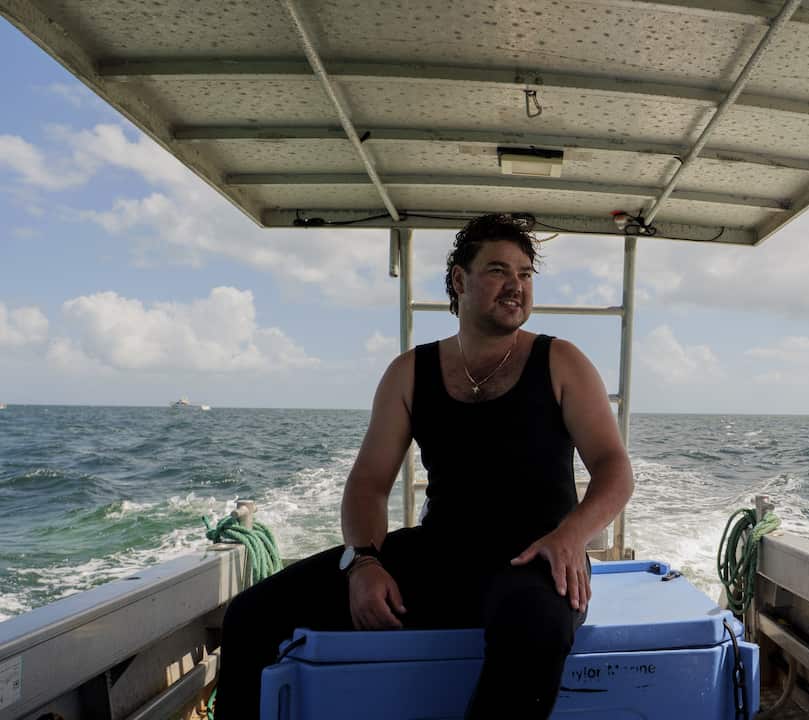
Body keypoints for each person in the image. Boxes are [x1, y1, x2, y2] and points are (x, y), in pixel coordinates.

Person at [217, 214, 635, 719]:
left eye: (525, 274)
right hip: (442, 555)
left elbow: (614, 469)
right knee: (249, 617)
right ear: (459, 281)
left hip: (538, 559)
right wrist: (365, 564)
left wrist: (572, 535)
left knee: (533, 628)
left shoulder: (561, 361)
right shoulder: (409, 373)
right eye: (499, 271)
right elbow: (368, 485)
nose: (516, 286)